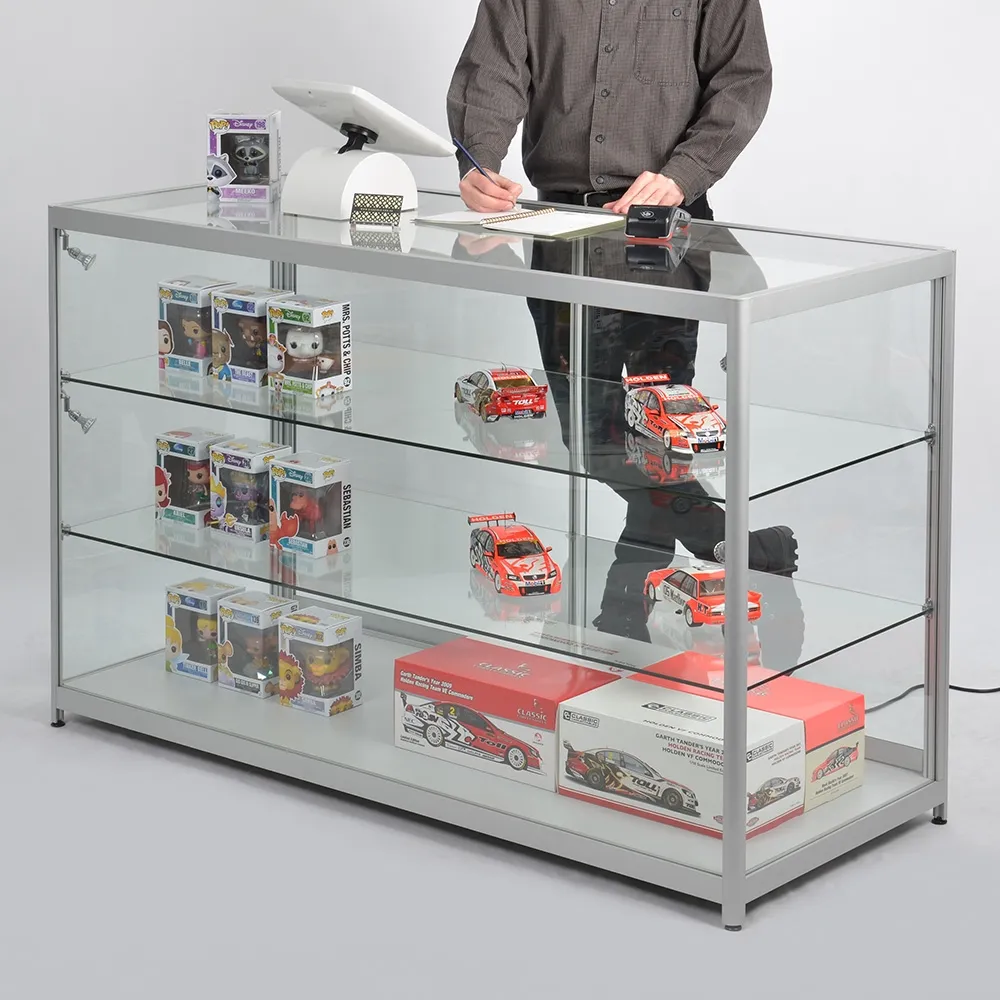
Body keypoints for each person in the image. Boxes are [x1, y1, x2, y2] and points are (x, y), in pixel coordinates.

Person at [447, 0, 773, 217]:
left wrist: (684, 174)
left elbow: (741, 82)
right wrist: (480, 165)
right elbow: (491, 75)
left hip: (665, 222)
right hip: (556, 225)